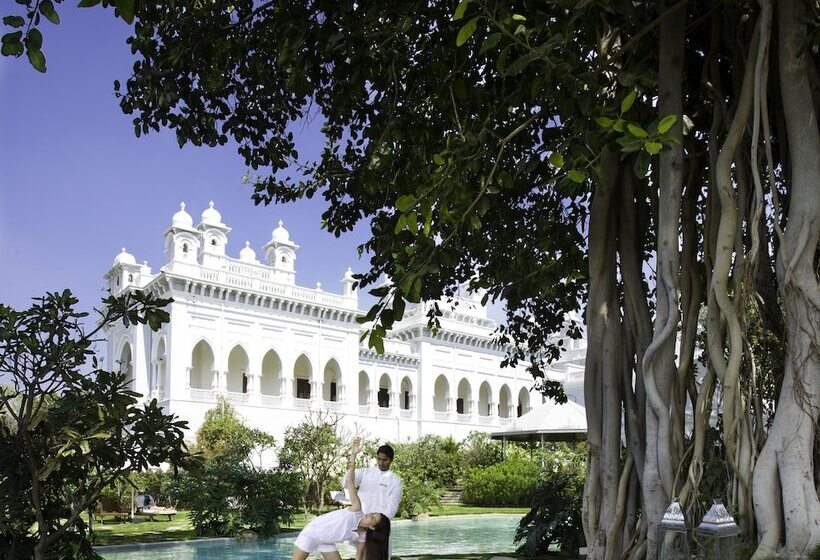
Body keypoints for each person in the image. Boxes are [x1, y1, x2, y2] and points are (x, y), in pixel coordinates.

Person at [293, 438, 391, 560]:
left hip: (327, 542)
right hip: (312, 533)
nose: (369, 514)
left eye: (372, 517)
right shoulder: (356, 509)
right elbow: (350, 481)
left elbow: (358, 558)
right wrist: (354, 454)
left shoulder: (362, 536)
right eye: (372, 513)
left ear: (372, 527)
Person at [342, 443, 403, 558]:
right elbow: (346, 483)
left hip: (379, 528)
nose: (381, 462)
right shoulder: (366, 472)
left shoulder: (395, 481)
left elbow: (391, 509)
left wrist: (375, 524)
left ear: (391, 460)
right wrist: (349, 471)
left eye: (385, 460)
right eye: (379, 459)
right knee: (360, 556)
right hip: (361, 523)